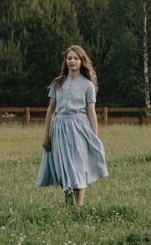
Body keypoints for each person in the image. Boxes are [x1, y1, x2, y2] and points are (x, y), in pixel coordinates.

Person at [37, 45, 108, 206]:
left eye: (75, 58)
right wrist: (46, 135)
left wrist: (94, 136)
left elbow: (91, 111)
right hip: (60, 128)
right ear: (65, 61)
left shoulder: (88, 85)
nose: (72, 61)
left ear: (81, 61)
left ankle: (79, 207)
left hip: (80, 128)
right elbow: (51, 110)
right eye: (69, 58)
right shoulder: (57, 83)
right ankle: (69, 203)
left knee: (78, 166)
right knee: (63, 167)